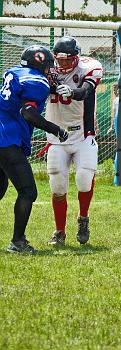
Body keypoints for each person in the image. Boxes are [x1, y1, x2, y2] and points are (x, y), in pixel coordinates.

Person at [0, 45, 69, 253]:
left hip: (3, 134)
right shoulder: (36, 81)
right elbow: (28, 112)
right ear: (38, 64)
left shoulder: (13, 72)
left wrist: (54, 88)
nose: (51, 70)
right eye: (48, 66)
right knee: (28, 191)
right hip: (6, 139)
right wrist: (55, 129)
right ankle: (18, 242)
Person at [45, 36, 103, 246]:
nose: (65, 64)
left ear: (77, 57)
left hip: (82, 134)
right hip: (56, 136)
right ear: (54, 58)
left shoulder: (89, 67)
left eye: (70, 60)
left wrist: (72, 91)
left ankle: (83, 218)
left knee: (84, 179)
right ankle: (59, 231)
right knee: (58, 186)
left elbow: (87, 91)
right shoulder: (46, 68)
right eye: (61, 60)